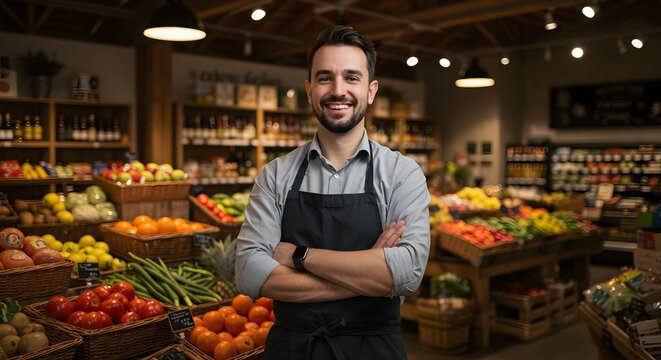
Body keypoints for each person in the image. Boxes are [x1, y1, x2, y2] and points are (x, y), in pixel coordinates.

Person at [236, 25, 430, 359]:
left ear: (371, 91)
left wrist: (301, 256)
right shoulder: (276, 175)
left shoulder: (402, 173)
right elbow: (250, 272)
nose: (337, 90)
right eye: (325, 78)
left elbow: (407, 273)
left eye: (351, 78)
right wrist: (371, 277)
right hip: (293, 349)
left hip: (374, 349)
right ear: (310, 90)